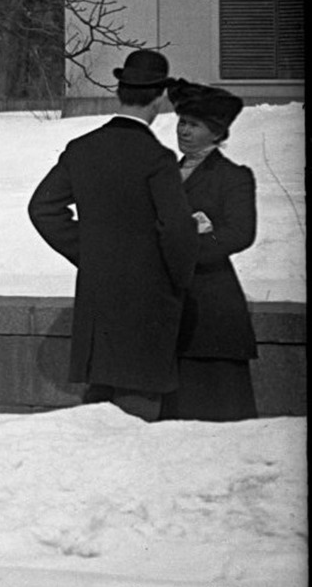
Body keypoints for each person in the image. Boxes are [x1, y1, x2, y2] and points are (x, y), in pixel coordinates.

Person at [24, 48, 198, 418]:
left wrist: (90, 252)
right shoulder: (158, 159)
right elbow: (178, 230)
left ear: (120, 93)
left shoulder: (82, 149)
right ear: (159, 99)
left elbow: (42, 208)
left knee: (99, 420)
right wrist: (179, 280)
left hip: (98, 303)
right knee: (140, 417)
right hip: (148, 304)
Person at [165, 82, 261, 423]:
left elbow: (240, 233)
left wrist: (187, 247)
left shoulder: (232, 177)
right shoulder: (164, 174)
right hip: (171, 305)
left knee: (218, 409)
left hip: (212, 307)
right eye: (182, 122)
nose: (184, 131)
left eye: (194, 124)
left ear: (216, 132)